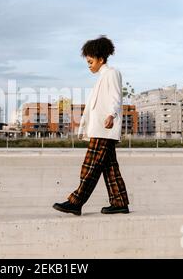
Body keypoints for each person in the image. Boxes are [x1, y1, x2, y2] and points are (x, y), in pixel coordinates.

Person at [53, 35, 130, 216]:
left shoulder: (111, 73)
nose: (89, 65)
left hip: (104, 128)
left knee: (91, 166)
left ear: (101, 59)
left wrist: (111, 115)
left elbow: (116, 97)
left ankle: (76, 202)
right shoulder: (101, 78)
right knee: (109, 168)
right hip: (101, 129)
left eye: (90, 61)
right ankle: (119, 202)